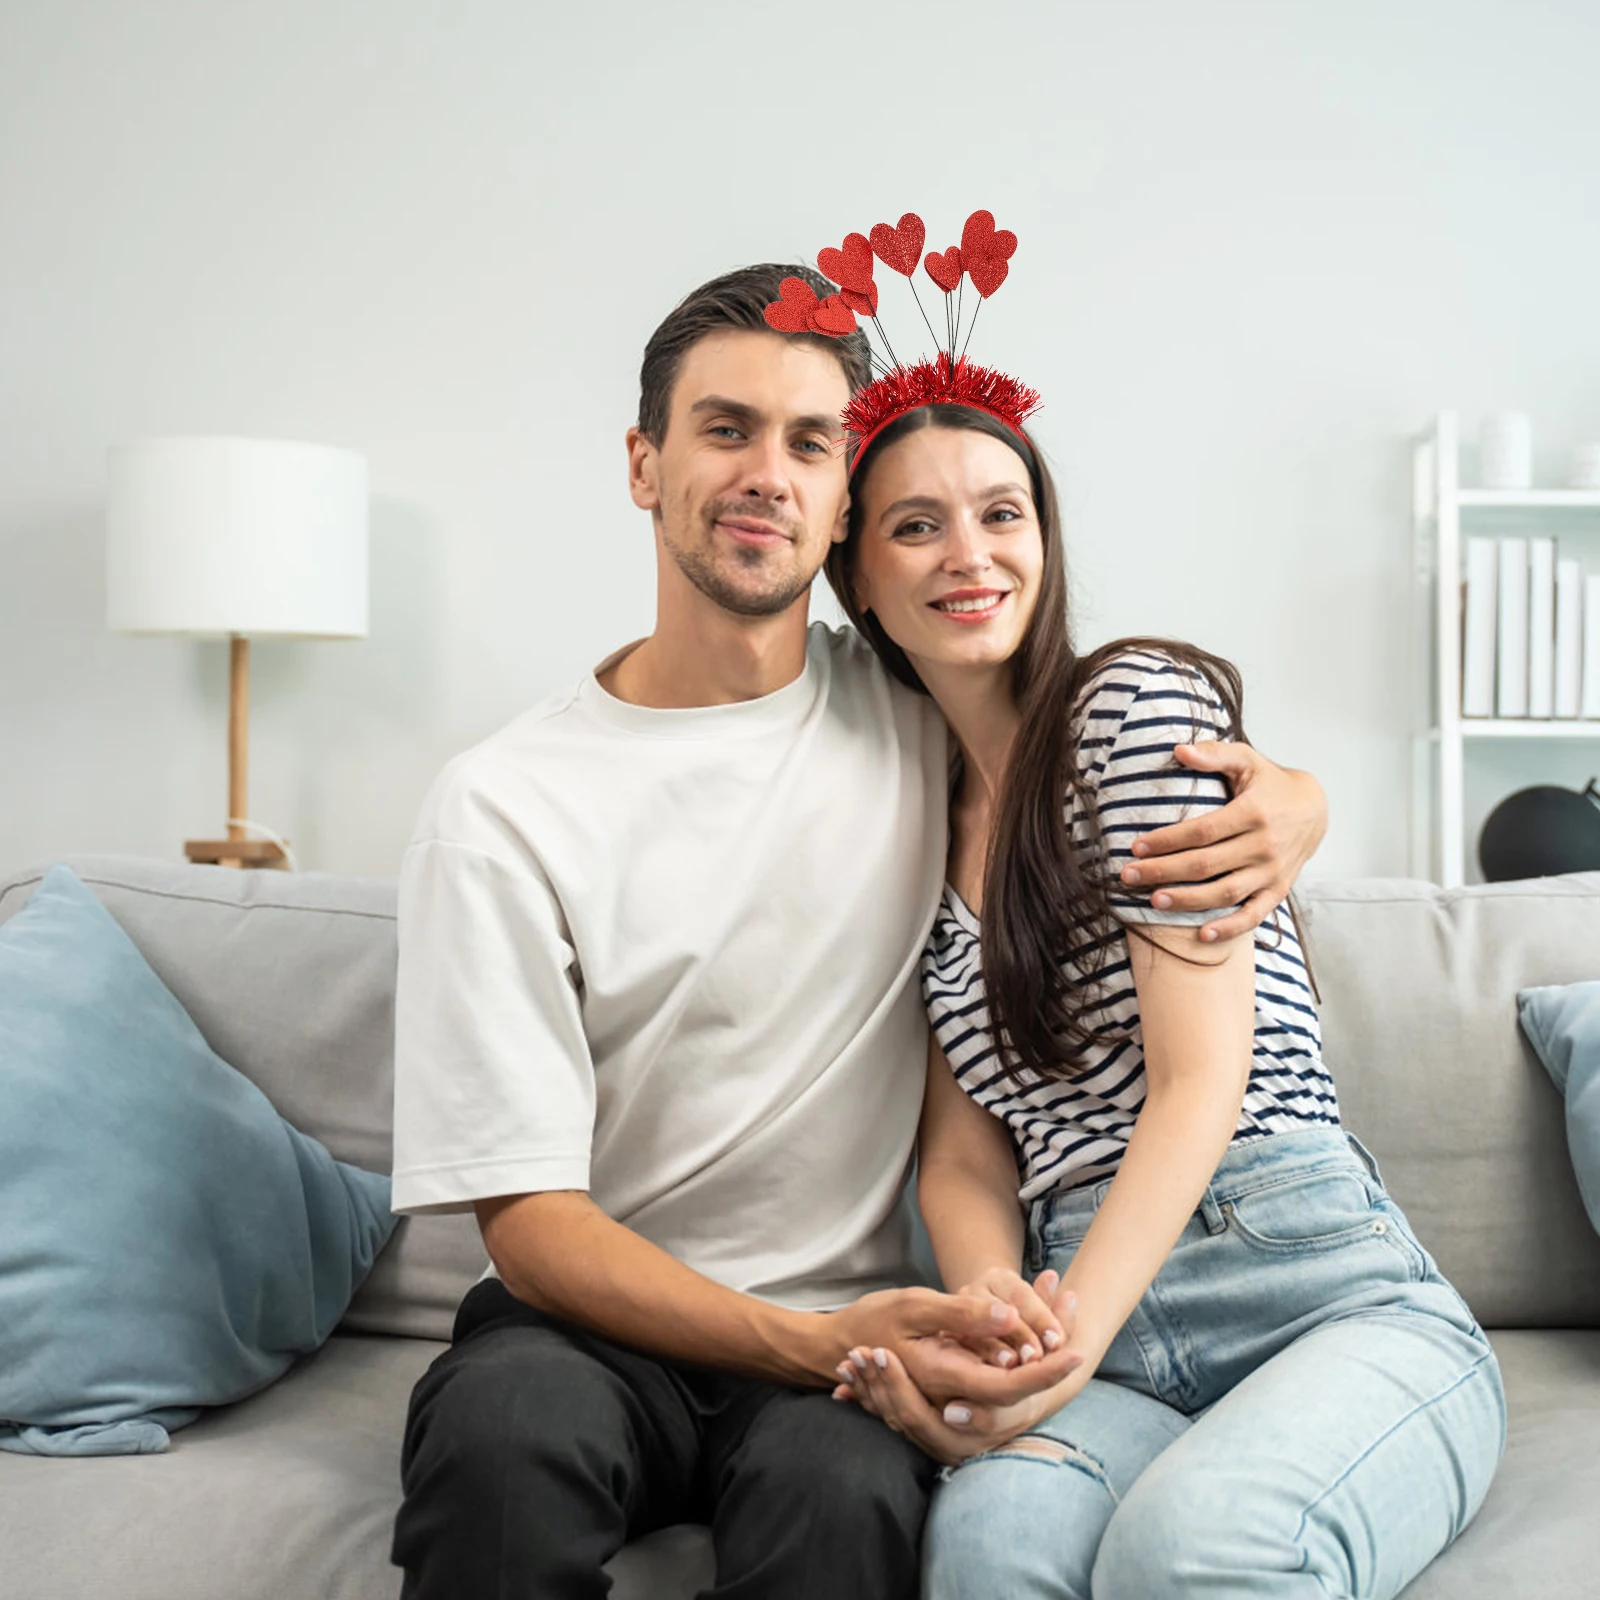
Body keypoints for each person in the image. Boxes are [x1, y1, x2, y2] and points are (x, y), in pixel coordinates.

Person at [387, 261, 1330, 1600]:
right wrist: (803, 1338)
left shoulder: (920, 714)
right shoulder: (501, 805)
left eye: (811, 441)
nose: (769, 471)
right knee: (501, 1448)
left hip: (860, 1339)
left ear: (843, 511)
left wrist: (1293, 798)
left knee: (840, 1507)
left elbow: (1094, 743)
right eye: (726, 430)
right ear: (645, 465)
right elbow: (531, 1225)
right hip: (589, 1329)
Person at [826, 398, 1507, 1599]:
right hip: (1095, 1318)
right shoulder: (908, 821)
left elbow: (1201, 1082)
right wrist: (998, 1321)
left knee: (1185, 1553)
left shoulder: (1131, 708)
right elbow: (965, 1155)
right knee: (987, 1548)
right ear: (858, 579)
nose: (970, 554)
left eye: (1001, 512)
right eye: (917, 525)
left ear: (1046, 539)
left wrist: (1055, 1349)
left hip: (1301, 1278)